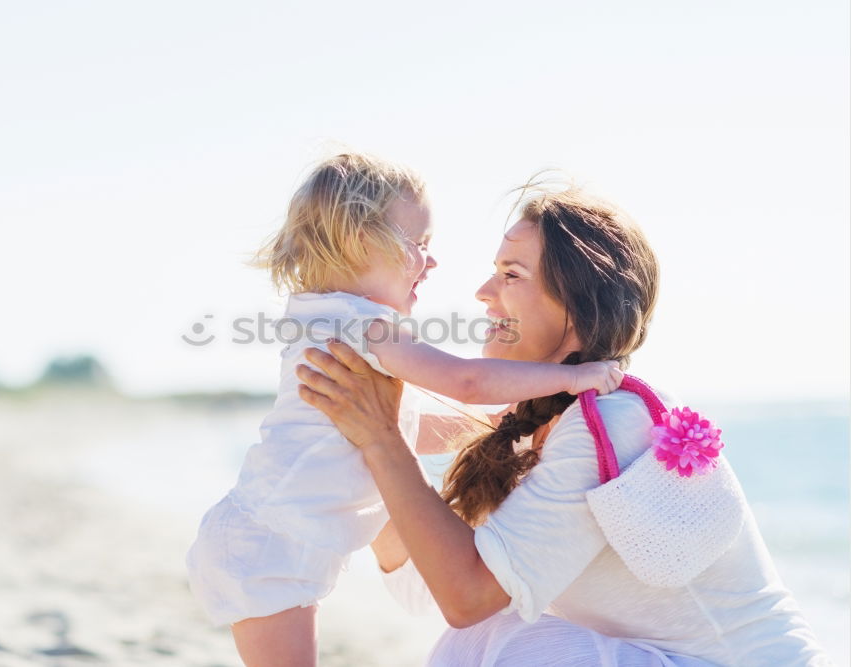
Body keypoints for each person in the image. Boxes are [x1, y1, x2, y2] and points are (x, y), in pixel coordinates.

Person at [296, 180, 831, 666]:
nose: (483, 291)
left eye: (512, 274)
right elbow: (432, 588)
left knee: (516, 647)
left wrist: (382, 440)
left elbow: (467, 597)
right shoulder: (531, 426)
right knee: (486, 640)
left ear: (578, 309)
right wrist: (358, 445)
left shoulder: (613, 422)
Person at [185, 154, 623, 667]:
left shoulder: (323, 318)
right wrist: (573, 377)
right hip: (272, 544)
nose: (432, 262)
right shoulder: (365, 326)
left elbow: (407, 429)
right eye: (420, 245)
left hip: (263, 535)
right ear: (360, 242)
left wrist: (506, 426)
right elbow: (467, 380)